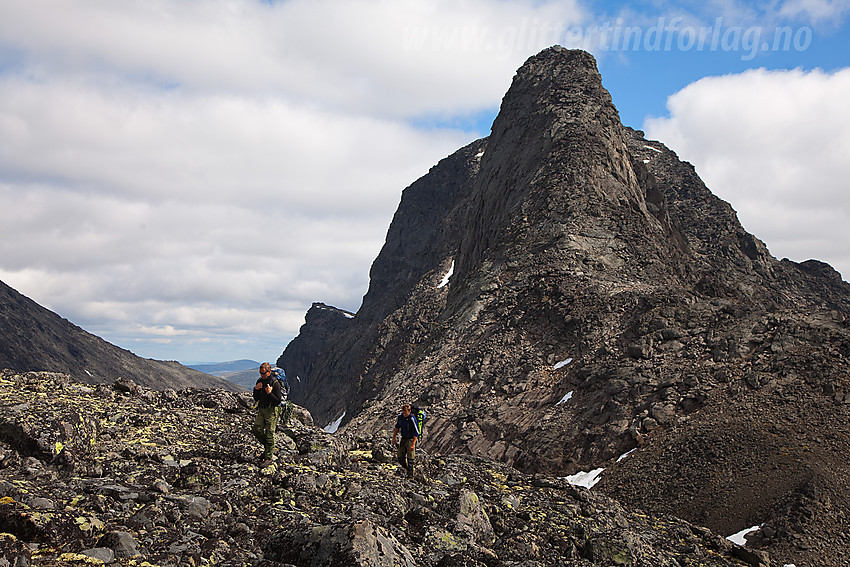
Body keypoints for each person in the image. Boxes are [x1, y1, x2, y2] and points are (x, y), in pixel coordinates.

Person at [252, 362, 282, 467]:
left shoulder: (275, 383)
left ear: (269, 372)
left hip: (272, 410)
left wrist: (270, 393)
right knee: (256, 429)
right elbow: (256, 397)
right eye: (260, 373)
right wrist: (256, 389)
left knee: (270, 433)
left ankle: (268, 457)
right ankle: (268, 449)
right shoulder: (260, 381)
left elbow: (278, 400)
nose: (261, 375)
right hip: (262, 409)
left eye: (263, 373)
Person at [392, 403, 419, 477]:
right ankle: (405, 469)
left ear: (409, 411)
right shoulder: (400, 417)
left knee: (410, 457)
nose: (404, 414)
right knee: (400, 456)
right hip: (403, 438)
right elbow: (397, 427)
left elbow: (416, 432)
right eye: (403, 412)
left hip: (411, 439)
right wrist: (394, 437)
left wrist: (413, 444)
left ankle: (410, 475)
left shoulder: (412, 419)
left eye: (405, 413)